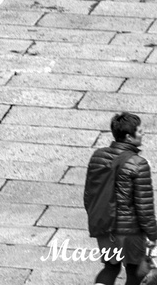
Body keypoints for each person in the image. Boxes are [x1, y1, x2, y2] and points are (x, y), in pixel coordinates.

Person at [85, 112, 157, 285]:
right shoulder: (139, 164)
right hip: (129, 231)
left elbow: (89, 194)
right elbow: (144, 205)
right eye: (139, 131)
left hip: (104, 226)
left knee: (111, 267)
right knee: (135, 272)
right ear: (128, 137)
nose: (143, 133)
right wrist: (153, 234)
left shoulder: (98, 156)